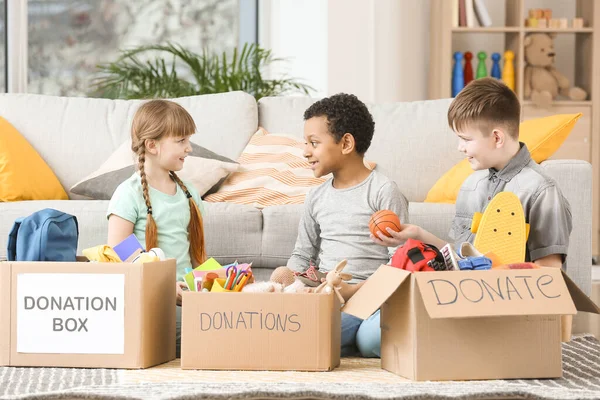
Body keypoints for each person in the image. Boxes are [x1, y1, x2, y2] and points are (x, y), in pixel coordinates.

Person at [372, 77, 573, 337]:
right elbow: (461, 256)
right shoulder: (471, 185)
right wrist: (418, 235)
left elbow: (549, 274)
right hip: (465, 299)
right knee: (377, 331)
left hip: (512, 317)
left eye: (465, 139)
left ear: (497, 137)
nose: (460, 147)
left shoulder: (541, 190)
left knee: (384, 336)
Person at [287, 93, 409, 357]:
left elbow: (398, 263)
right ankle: (347, 336)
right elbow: (301, 256)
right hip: (327, 293)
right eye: (305, 143)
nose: (305, 151)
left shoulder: (383, 191)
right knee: (290, 328)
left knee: (367, 339)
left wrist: (353, 291)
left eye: (314, 143)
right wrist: (287, 287)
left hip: (373, 297)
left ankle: (357, 334)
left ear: (346, 143)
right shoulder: (316, 197)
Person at [106, 99, 206, 356]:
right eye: (181, 140)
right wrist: (164, 286)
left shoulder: (189, 193)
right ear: (152, 145)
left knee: (228, 320)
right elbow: (118, 248)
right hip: (150, 296)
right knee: (205, 333)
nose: (189, 148)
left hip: (188, 295)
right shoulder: (129, 194)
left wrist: (219, 282)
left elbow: (196, 257)